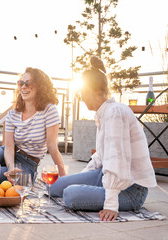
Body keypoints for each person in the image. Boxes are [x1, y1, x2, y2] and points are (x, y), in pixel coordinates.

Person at [50, 56, 157, 221]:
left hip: (131, 189)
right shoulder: (103, 114)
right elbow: (101, 157)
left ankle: (107, 194)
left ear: (91, 91)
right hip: (104, 175)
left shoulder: (114, 112)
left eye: (81, 93)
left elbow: (117, 159)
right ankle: (88, 188)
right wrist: (82, 180)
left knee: (70, 195)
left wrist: (111, 204)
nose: (81, 98)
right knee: (54, 186)